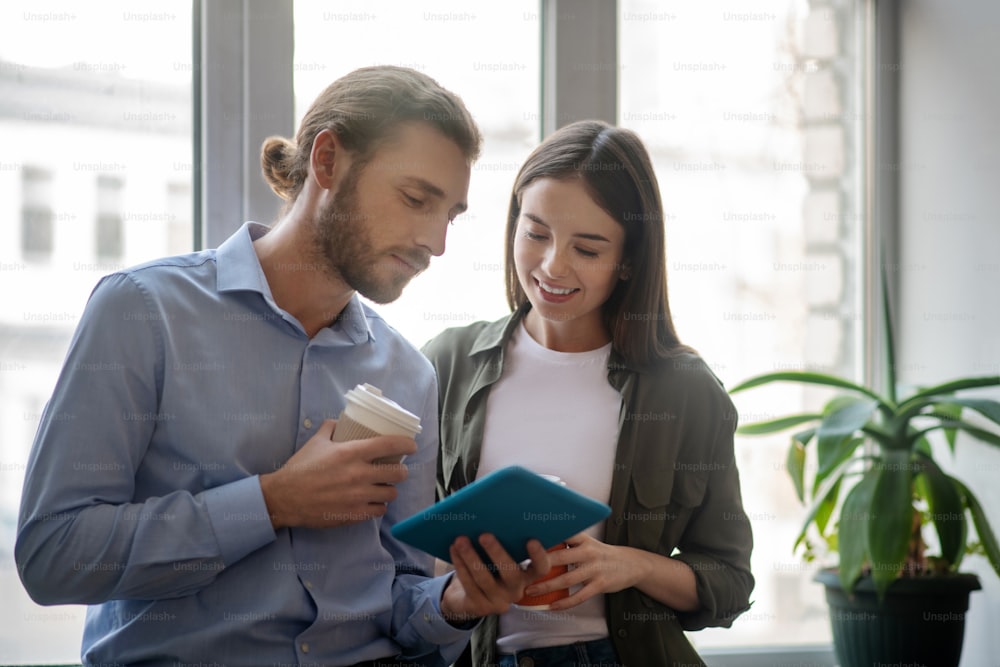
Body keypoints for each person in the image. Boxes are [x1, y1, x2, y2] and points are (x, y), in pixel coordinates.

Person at [15, 65, 551, 667]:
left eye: (450, 215)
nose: (436, 242)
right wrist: (272, 502)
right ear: (328, 163)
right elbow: (53, 557)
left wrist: (457, 601)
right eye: (415, 199)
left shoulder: (408, 372)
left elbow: (399, 598)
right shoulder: (143, 312)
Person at [422, 120, 755, 667]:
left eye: (588, 248)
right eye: (535, 233)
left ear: (628, 261)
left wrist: (629, 566)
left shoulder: (685, 391)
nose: (553, 266)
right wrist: (462, 586)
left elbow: (731, 582)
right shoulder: (447, 362)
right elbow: (407, 564)